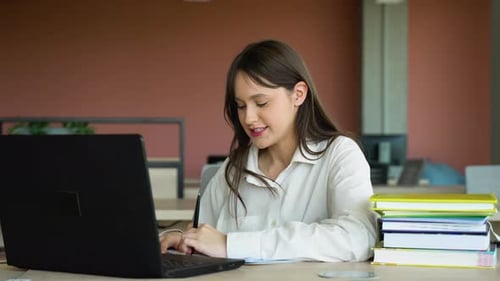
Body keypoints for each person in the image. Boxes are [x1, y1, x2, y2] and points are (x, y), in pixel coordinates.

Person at [160, 39, 377, 262]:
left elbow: (358, 238)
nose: (248, 118)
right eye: (241, 106)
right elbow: (204, 237)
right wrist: (185, 240)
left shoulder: (339, 155)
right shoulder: (234, 169)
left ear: (299, 94)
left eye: (261, 103)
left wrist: (231, 244)